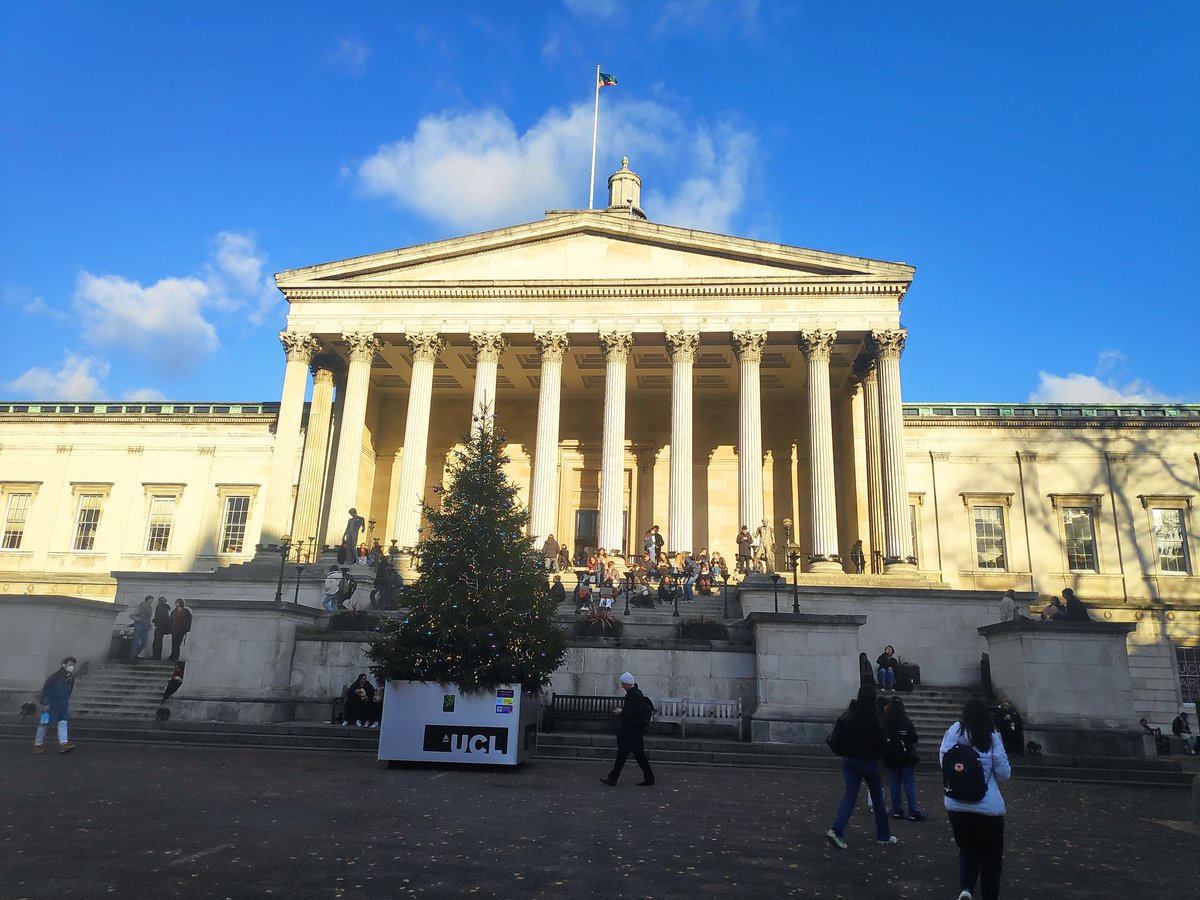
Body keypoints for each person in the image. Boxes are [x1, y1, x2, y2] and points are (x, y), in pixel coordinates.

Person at [940, 697, 1012, 900]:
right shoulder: (991, 737)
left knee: (967, 849)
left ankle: (966, 889)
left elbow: (944, 762)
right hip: (987, 806)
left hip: (957, 804)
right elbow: (1004, 773)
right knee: (991, 857)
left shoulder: (953, 732)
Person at [825, 683, 895, 849]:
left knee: (849, 796)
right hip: (869, 762)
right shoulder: (874, 719)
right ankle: (883, 835)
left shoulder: (851, 714)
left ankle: (836, 829)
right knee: (877, 798)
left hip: (850, 760)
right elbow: (881, 744)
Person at [600, 672, 654, 787]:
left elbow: (635, 713)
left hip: (631, 731)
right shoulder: (636, 694)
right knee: (633, 755)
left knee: (627, 755)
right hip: (633, 731)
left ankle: (614, 778)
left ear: (627, 684)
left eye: (623, 684)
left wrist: (621, 712)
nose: (622, 686)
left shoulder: (634, 695)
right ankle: (614, 778)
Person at [883, 697, 925, 821]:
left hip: (892, 756)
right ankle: (913, 811)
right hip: (906, 756)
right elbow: (913, 737)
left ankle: (897, 810)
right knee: (909, 783)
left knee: (894, 784)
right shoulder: (906, 721)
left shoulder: (886, 722)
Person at [131, 595, 154, 659]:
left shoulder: (150, 608)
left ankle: (136, 653)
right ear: (148, 600)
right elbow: (132, 615)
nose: (152, 602)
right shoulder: (140, 606)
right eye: (151, 600)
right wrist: (137, 619)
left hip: (146, 626)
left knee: (144, 642)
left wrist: (149, 624)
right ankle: (132, 656)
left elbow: (149, 617)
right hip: (139, 625)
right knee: (136, 641)